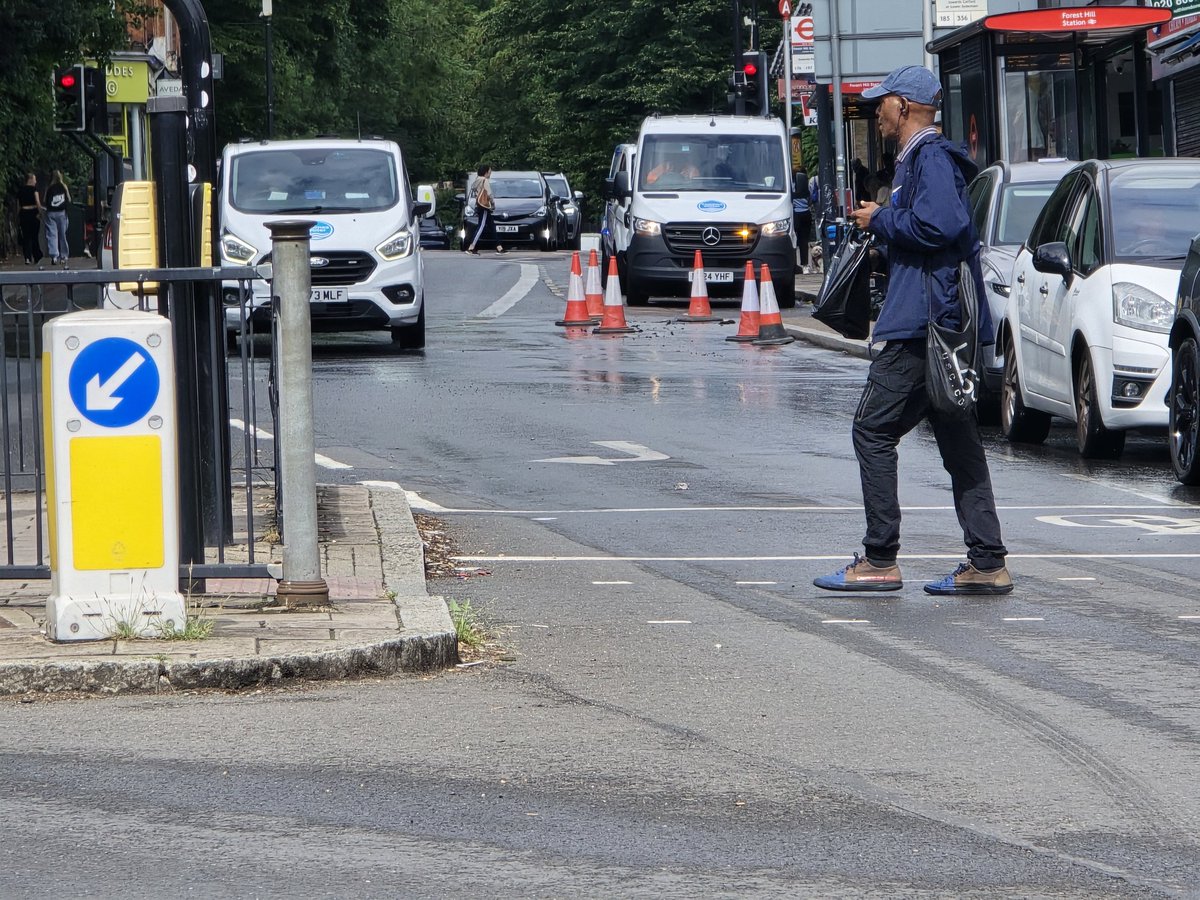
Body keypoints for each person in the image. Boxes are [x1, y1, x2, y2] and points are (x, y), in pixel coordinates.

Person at [813, 65, 1012, 597]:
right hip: (936, 322)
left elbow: (940, 226)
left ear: (904, 106)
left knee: (872, 430)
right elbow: (930, 238)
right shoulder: (918, 161)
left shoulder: (929, 158)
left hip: (923, 328)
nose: (876, 112)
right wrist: (882, 248)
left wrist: (879, 218)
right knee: (958, 440)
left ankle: (880, 558)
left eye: (882, 103)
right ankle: (988, 561)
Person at [465, 165, 496, 255]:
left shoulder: (477, 180)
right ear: (485, 172)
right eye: (489, 172)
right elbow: (489, 194)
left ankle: (499, 247)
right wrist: (493, 204)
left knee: (492, 226)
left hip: (479, 205)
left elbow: (475, 191)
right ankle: (471, 247)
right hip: (484, 206)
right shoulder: (484, 180)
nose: (490, 173)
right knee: (481, 226)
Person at [43, 170, 71, 265]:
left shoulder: (49, 188)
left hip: (51, 213)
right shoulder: (63, 186)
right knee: (62, 235)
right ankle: (63, 256)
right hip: (61, 213)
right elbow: (69, 199)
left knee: (52, 234)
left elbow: (45, 200)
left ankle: (54, 256)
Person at [16, 173, 43, 265]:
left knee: (26, 237)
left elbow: (18, 204)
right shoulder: (34, 190)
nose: (36, 182)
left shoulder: (20, 190)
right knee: (34, 236)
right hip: (33, 213)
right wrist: (40, 213)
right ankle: (36, 256)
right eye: (35, 179)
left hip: (24, 213)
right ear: (30, 179)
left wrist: (18, 215)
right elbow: (37, 202)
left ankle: (27, 258)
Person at [792, 167, 812, 275]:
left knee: (793, 239)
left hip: (795, 213)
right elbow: (810, 200)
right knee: (804, 240)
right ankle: (805, 265)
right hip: (806, 213)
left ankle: (794, 264)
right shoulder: (808, 185)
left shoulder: (791, 185)